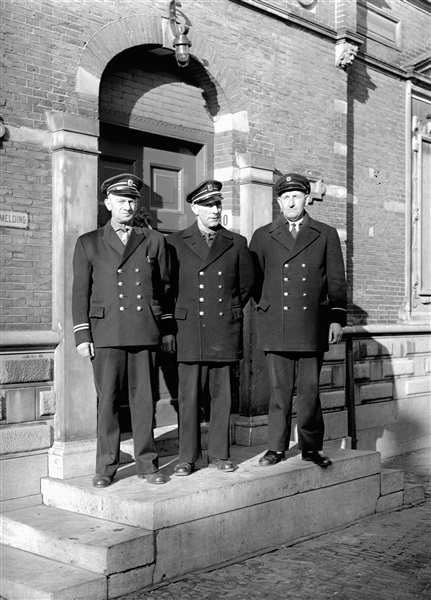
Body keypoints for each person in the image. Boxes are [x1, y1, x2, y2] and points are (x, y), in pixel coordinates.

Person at [72, 173, 175, 488]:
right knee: (109, 402)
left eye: (131, 200)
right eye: (120, 200)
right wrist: (82, 334)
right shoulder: (89, 241)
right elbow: (80, 293)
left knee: (144, 401)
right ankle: (106, 467)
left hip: (144, 330)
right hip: (106, 333)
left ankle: (147, 464)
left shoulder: (154, 240)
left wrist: (167, 328)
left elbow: (166, 288)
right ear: (107, 203)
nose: (127, 206)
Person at [249, 173, 347, 468]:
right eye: (285, 197)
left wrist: (336, 318)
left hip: (311, 324)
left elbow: (336, 280)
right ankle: (275, 448)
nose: (291, 202)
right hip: (276, 323)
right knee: (278, 392)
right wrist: (268, 306)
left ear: (307, 199)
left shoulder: (325, 233)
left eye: (296, 196)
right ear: (278, 201)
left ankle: (311, 447)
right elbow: (254, 280)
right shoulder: (263, 235)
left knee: (310, 391)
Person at [167, 180, 255, 476]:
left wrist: (228, 311)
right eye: (208, 205)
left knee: (222, 396)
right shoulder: (175, 242)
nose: (215, 210)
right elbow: (167, 287)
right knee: (188, 398)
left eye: (218, 204)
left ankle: (219, 455)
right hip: (189, 328)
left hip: (223, 329)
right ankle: (187, 457)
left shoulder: (236, 242)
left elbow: (246, 285)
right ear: (195, 208)